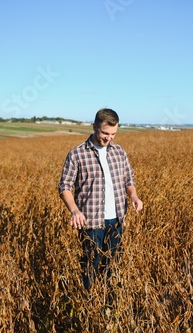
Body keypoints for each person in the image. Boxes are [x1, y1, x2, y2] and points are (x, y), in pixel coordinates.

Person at [58, 108, 143, 290]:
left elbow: (129, 179)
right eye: (105, 133)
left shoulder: (119, 151)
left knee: (111, 267)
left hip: (116, 220)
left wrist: (134, 196)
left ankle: (107, 304)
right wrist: (74, 210)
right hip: (90, 222)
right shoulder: (77, 154)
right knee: (90, 267)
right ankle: (89, 304)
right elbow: (64, 186)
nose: (108, 138)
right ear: (95, 126)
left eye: (113, 134)